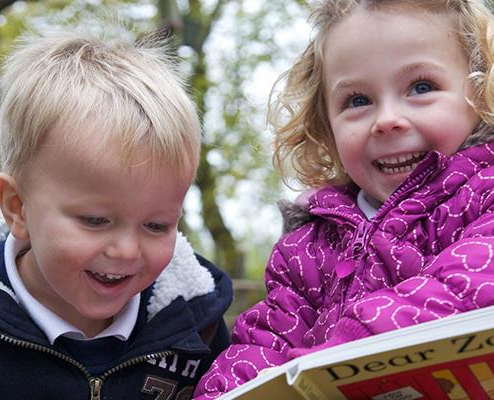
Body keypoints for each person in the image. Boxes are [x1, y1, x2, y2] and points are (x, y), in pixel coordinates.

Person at [194, 0, 494, 398]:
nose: (387, 119)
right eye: (357, 100)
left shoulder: (483, 194)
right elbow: (263, 344)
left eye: (421, 88)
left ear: (481, 94)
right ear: (325, 124)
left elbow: (471, 284)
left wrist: (348, 351)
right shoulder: (306, 249)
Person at [0, 25, 232, 400]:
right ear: (17, 207)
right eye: (95, 221)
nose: (126, 250)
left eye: (157, 225)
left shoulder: (194, 325)